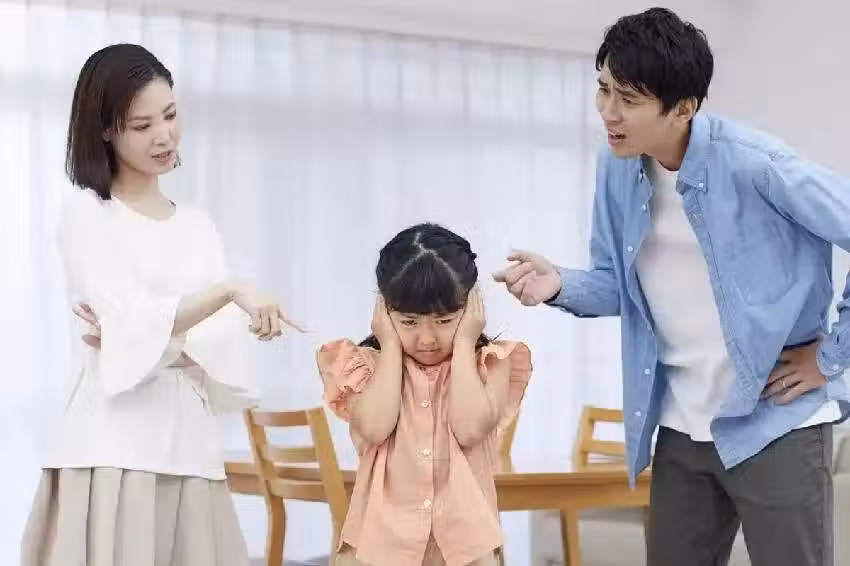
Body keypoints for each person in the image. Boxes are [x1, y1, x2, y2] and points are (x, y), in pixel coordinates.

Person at [494, 7, 849, 566]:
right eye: (603, 89)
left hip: (775, 421)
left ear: (684, 108)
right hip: (681, 424)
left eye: (628, 99)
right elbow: (617, 284)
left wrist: (830, 357)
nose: (608, 112)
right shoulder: (617, 168)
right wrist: (559, 283)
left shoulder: (758, 165)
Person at [21, 43, 300, 566]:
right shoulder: (88, 213)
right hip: (111, 449)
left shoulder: (198, 225)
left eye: (170, 115)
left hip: (191, 449)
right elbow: (126, 324)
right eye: (142, 125)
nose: (164, 135)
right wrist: (221, 296)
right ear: (106, 131)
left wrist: (148, 336)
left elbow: (205, 343)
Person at [316, 223, 532, 566]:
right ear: (384, 310)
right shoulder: (363, 366)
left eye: (444, 321)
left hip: (465, 550)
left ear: (471, 308)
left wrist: (464, 343)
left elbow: (469, 429)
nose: (427, 339)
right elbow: (374, 428)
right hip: (379, 548)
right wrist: (389, 344)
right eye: (409, 322)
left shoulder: (490, 362)